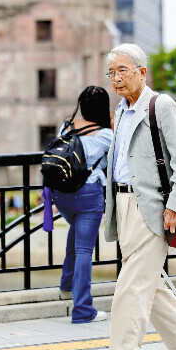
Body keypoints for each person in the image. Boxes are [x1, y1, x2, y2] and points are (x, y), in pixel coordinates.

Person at [85, 44, 176, 350]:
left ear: (142, 72)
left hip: (151, 208)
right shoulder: (123, 110)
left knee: (130, 287)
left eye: (123, 71)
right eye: (111, 72)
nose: (116, 79)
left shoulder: (162, 105)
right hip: (124, 205)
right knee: (147, 283)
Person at [52, 86, 113, 323]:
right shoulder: (106, 134)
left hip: (62, 193)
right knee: (85, 251)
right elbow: (115, 160)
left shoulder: (66, 127)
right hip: (88, 194)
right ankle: (82, 310)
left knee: (76, 230)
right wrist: (110, 123)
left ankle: (67, 285)